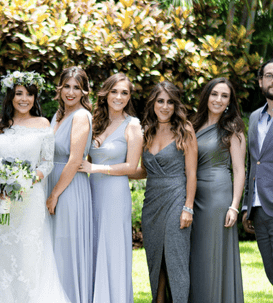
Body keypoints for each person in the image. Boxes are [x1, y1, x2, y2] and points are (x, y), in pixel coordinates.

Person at [0, 71, 69, 302]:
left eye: (29, 94)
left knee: (29, 251)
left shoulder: (42, 124)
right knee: (2, 252)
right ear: (10, 96)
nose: (24, 99)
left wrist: (25, 181)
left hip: (30, 197)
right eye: (19, 93)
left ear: (35, 98)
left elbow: (47, 162)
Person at [131, 81, 197, 302]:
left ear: (176, 105)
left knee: (175, 262)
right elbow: (144, 170)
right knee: (155, 262)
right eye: (160, 101)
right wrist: (113, 172)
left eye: (170, 102)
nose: (165, 106)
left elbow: (192, 173)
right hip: (152, 204)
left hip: (177, 200)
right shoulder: (147, 131)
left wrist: (188, 207)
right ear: (153, 103)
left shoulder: (184, 130)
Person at [80, 73, 142, 303]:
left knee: (113, 248)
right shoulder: (94, 121)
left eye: (124, 92)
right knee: (92, 244)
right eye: (114, 91)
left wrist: (95, 168)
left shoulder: (132, 125)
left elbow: (131, 165)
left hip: (115, 194)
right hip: (91, 192)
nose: (119, 96)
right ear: (105, 93)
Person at [189, 77, 245, 302]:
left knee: (212, 256)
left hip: (216, 200)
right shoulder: (193, 124)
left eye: (224, 96)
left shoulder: (233, 128)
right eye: (214, 94)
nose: (218, 100)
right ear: (207, 96)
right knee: (195, 256)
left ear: (230, 102)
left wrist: (234, 206)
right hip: (192, 197)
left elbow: (240, 170)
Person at [242, 58, 273, 302]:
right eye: (268, 75)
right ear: (260, 82)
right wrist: (246, 206)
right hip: (259, 210)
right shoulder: (254, 118)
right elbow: (253, 164)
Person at [46, 66, 94, 302]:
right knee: (52, 248)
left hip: (69, 188)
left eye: (76, 87)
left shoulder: (81, 116)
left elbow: (75, 160)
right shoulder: (56, 116)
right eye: (67, 86)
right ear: (60, 88)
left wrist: (54, 194)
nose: (71, 92)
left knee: (65, 249)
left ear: (85, 91)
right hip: (52, 183)